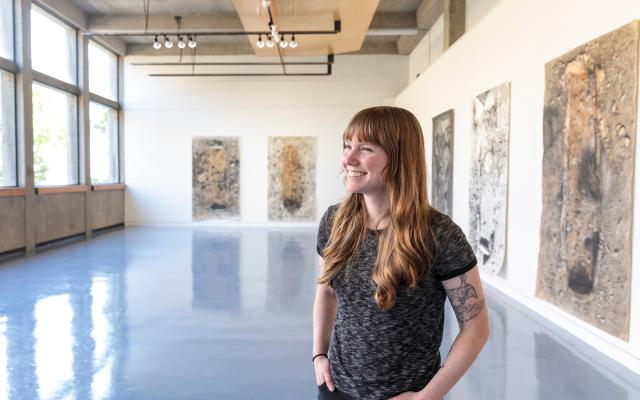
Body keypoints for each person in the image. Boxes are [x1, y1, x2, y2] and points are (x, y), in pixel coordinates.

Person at [312, 106, 489, 400]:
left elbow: (476, 328)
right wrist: (319, 355)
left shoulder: (438, 234)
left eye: (365, 148)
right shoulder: (335, 221)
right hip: (336, 389)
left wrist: (427, 397)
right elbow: (327, 291)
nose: (348, 159)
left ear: (399, 158)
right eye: (347, 145)